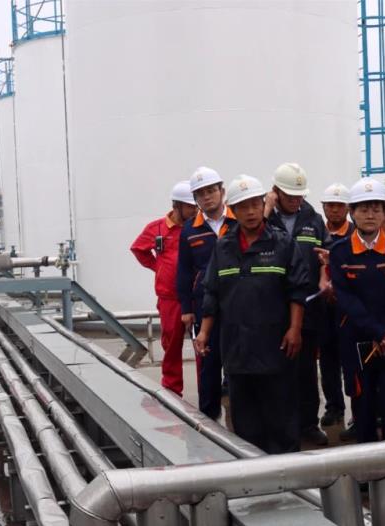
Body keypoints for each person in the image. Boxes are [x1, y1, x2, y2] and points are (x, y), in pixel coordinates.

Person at [196, 175, 311, 454]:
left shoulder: (283, 244)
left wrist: (295, 329)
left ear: (263, 205)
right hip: (237, 348)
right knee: (246, 422)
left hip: (276, 346)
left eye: (254, 205)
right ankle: (254, 471)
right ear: (233, 210)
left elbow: (297, 290)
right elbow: (212, 292)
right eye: (242, 207)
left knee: (281, 418)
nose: (250, 212)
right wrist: (204, 332)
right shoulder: (223, 247)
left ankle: (288, 472)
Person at [328, 178, 385, 444]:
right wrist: (375, 330)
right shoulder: (340, 252)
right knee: (362, 403)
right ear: (352, 212)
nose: (370, 215)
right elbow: (345, 297)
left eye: (376, 209)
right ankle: (367, 464)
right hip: (356, 339)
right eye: (363, 209)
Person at [264, 163, 330, 446]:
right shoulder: (263, 218)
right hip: (273, 308)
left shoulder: (313, 218)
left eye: (299, 195)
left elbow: (326, 252)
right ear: (275, 192)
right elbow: (247, 241)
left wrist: (325, 273)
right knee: (276, 372)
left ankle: (308, 425)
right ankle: (280, 426)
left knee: (306, 372)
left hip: (308, 307)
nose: (295, 200)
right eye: (289, 195)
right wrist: (266, 210)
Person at [176, 166, 236, 420]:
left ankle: (242, 420)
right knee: (208, 364)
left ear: (222, 191)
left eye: (211, 190)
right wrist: (186, 309)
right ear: (195, 199)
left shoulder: (238, 221)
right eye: (200, 194)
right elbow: (184, 271)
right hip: (204, 305)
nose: (207, 197)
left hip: (237, 302)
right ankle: (207, 420)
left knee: (237, 360)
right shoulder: (190, 230)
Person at [130, 181, 198, 395]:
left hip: (197, 296)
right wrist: (158, 267)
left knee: (202, 345)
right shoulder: (157, 228)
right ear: (177, 205)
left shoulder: (199, 227)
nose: (195, 210)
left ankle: (208, 389)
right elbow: (138, 249)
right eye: (191, 206)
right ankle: (172, 389)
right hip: (170, 298)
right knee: (171, 345)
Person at [317, 183, 353, 431]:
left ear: (348, 208)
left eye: (340, 205)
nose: (335, 210)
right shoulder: (318, 232)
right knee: (328, 360)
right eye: (330, 205)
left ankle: (359, 410)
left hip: (349, 308)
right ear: (324, 207)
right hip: (323, 307)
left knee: (351, 360)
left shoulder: (356, 233)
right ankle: (334, 407)